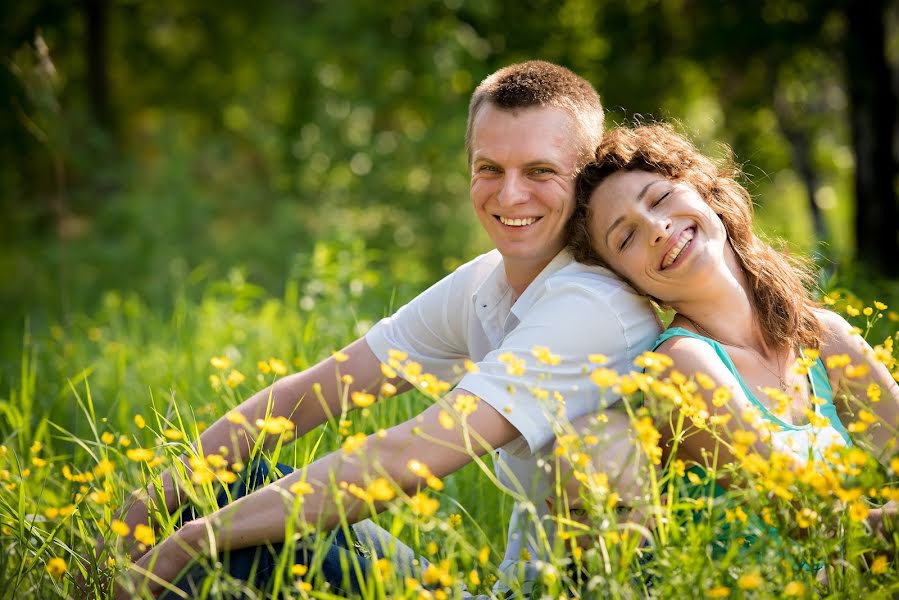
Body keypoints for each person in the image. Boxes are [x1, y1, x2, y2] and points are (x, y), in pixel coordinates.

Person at [106, 62, 662, 599]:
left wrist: (189, 541)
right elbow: (313, 391)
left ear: (584, 180)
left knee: (229, 548)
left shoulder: (591, 305)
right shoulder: (487, 283)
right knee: (225, 484)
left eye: (540, 172)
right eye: (490, 169)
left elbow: (408, 456)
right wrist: (146, 504)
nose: (510, 195)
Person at [567, 122, 899, 538]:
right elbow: (811, 522)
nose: (656, 228)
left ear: (704, 191)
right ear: (625, 281)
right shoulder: (679, 365)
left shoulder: (823, 338)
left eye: (661, 198)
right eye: (627, 237)